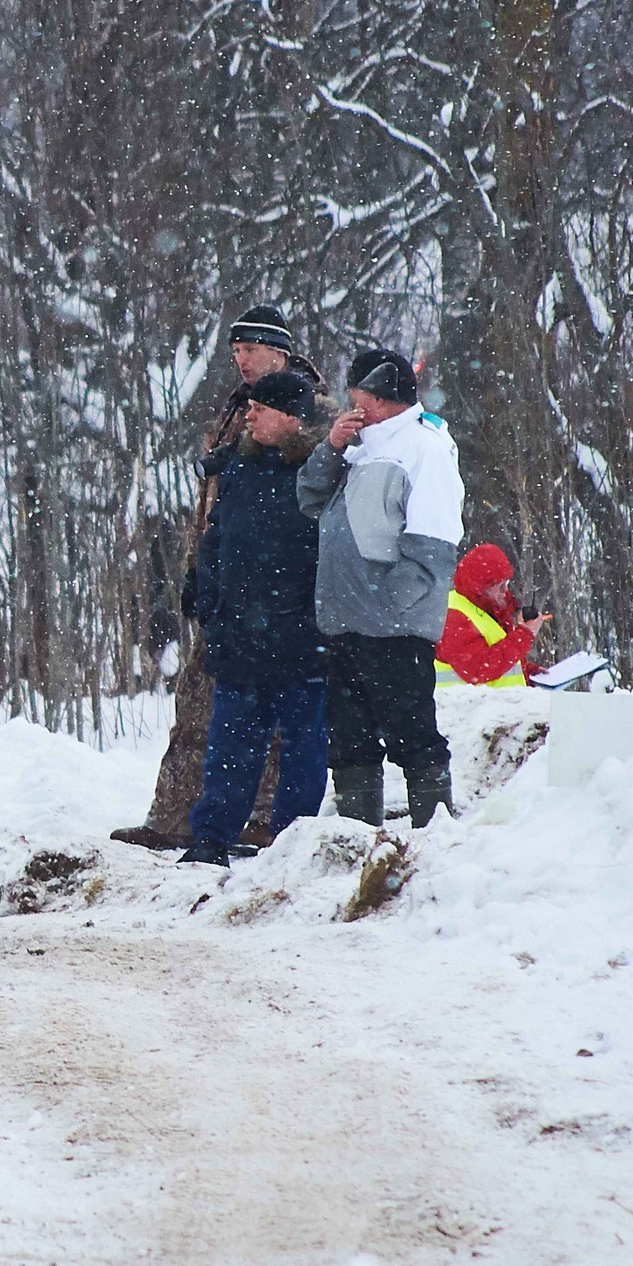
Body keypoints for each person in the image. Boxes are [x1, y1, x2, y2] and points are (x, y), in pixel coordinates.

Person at [116, 305, 325, 850]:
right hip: (233, 600)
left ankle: (272, 828)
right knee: (207, 714)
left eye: (250, 351)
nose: (242, 361)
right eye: (235, 353)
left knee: (286, 730)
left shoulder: (311, 417)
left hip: (286, 611)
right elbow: (217, 511)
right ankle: (187, 821)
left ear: (278, 352)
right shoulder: (239, 411)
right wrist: (202, 579)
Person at [296, 347, 464, 827]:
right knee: (350, 742)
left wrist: (391, 606)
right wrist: (331, 447)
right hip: (346, 622)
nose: (353, 407)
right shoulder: (358, 446)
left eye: (358, 398)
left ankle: (433, 839)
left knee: (413, 736)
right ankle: (357, 837)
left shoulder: (424, 449)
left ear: (380, 397)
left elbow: (433, 545)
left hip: (393, 629)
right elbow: (309, 498)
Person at [177, 370, 330, 866]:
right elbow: (216, 538)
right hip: (239, 635)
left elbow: (332, 555)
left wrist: (309, 619)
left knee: (304, 747)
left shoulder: (320, 472)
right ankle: (211, 838)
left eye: (259, 409)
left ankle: (292, 843)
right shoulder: (239, 466)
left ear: (290, 417)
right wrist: (206, 597)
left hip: (302, 638)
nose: (249, 416)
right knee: (230, 744)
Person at [436, 543, 550, 687]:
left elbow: (496, 654)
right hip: (466, 702)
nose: (505, 591)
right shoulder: (453, 616)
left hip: (491, 700)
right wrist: (524, 634)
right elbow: (478, 669)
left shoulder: (487, 607)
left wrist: (526, 672)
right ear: (480, 589)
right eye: (498, 586)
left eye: (506, 583)